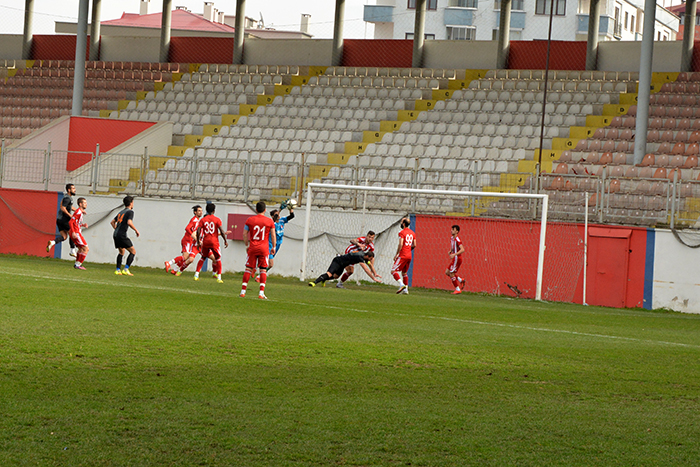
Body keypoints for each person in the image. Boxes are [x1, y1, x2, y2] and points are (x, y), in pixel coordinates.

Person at [240, 201, 275, 299]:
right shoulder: (269, 221)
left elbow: (244, 234)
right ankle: (261, 293)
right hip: (264, 248)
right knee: (263, 269)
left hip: (253, 247)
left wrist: (247, 244)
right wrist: (274, 247)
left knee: (248, 268)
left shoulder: (250, 220)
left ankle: (243, 292)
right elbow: (273, 235)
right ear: (265, 210)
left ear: (256, 210)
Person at [253, 202, 294, 282]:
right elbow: (274, 219)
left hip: (278, 245)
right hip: (270, 245)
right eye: (276, 214)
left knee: (267, 263)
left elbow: (292, 216)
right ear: (272, 216)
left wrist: (291, 208)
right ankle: (259, 276)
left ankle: (256, 269)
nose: (278, 215)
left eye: (278, 214)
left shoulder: (282, 220)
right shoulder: (271, 223)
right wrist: (280, 209)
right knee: (271, 264)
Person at [195, 203, 229, 283]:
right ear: (214, 210)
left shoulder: (203, 220)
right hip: (214, 242)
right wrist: (225, 240)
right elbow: (221, 231)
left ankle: (196, 275)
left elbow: (198, 231)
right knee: (218, 258)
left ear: (206, 210)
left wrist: (198, 241)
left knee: (203, 257)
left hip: (206, 241)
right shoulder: (217, 219)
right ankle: (219, 277)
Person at [165, 205, 203, 276]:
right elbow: (187, 228)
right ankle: (169, 263)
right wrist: (192, 235)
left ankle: (175, 270)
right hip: (187, 240)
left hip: (190, 241)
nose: (201, 212)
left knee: (187, 258)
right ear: (195, 212)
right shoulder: (194, 220)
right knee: (185, 257)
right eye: (199, 211)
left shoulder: (198, 220)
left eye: (201, 210)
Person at [309, 251, 381, 287]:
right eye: (370, 259)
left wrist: (375, 273)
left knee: (335, 276)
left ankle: (323, 279)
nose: (370, 260)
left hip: (342, 265)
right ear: (368, 256)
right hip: (337, 261)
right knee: (329, 274)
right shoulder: (360, 257)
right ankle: (314, 282)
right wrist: (373, 278)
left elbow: (370, 265)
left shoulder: (363, 254)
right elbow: (366, 269)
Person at [110, 195, 140, 276]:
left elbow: (112, 222)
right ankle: (126, 269)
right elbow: (129, 222)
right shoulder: (130, 212)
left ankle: (118, 270)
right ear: (131, 203)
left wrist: (116, 229)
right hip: (122, 235)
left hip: (115, 234)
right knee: (133, 251)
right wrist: (136, 230)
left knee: (121, 251)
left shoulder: (121, 212)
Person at [46, 183, 77, 257]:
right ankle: (72, 250)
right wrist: (70, 215)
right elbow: (63, 208)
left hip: (59, 220)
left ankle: (52, 242)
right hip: (64, 220)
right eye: (73, 188)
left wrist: (78, 211)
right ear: (69, 190)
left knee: (64, 236)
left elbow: (69, 207)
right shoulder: (67, 198)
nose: (75, 190)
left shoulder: (67, 197)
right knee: (72, 233)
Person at [391, 217, 416, 294]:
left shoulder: (401, 232)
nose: (401, 223)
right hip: (409, 255)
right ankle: (406, 290)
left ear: (404, 224)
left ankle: (401, 285)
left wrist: (397, 254)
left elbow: (401, 244)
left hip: (403, 255)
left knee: (393, 271)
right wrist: (408, 249)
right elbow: (414, 245)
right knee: (404, 273)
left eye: (401, 222)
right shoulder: (413, 233)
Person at [69, 197, 89, 270]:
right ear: (80, 204)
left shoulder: (80, 212)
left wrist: (82, 225)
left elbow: (76, 223)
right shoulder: (78, 212)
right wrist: (73, 232)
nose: (86, 204)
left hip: (76, 232)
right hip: (76, 232)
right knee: (86, 248)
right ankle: (78, 264)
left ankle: (77, 264)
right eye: (84, 203)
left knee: (81, 249)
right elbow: (70, 222)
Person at [445, 225, 466, 295]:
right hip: (455, 258)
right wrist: (451, 251)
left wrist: (454, 254)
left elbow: (462, 249)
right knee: (447, 272)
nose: (451, 231)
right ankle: (460, 280)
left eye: (453, 229)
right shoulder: (452, 238)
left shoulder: (457, 239)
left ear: (457, 231)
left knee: (451, 274)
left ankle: (457, 289)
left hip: (457, 258)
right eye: (451, 229)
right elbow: (453, 246)